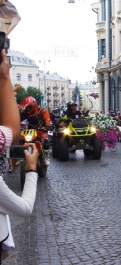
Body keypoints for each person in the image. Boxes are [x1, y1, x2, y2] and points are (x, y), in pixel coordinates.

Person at [0, 47, 40, 263]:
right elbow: (12, 129)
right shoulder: (24, 111)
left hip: (37, 133)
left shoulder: (41, 112)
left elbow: (46, 122)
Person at [19, 96, 52, 166]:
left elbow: (47, 119)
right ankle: (20, 156)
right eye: (26, 107)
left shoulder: (42, 111)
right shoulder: (24, 113)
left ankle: (46, 156)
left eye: (28, 107)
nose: (27, 109)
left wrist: (47, 126)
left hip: (40, 130)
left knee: (45, 141)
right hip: (29, 132)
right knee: (20, 140)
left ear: (34, 105)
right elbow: (21, 123)